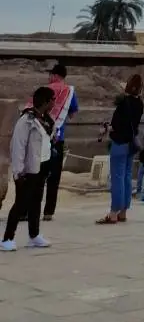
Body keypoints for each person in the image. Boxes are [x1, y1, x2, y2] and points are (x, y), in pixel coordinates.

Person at [2, 87, 55, 250]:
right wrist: (18, 172)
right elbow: (18, 146)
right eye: (52, 99)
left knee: (36, 202)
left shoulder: (46, 120)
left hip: (42, 166)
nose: (54, 102)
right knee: (21, 203)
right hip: (28, 169)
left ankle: (34, 235)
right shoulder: (26, 121)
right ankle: (7, 238)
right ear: (45, 101)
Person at [98, 75, 143, 225]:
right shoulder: (140, 103)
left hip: (119, 143)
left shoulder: (123, 103)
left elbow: (116, 125)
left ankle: (113, 213)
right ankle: (123, 211)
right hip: (131, 143)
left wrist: (105, 128)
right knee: (127, 177)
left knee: (117, 178)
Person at [41, 61, 78, 223]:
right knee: (54, 178)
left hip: (43, 138)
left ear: (55, 75)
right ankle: (48, 212)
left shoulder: (45, 90)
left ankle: (29, 210)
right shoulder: (70, 92)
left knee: (38, 175)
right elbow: (72, 114)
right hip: (58, 138)